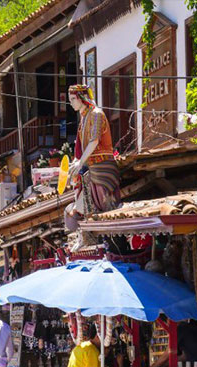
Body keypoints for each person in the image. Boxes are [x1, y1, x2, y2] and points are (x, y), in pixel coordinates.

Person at [64, 84, 120, 250]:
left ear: (82, 98)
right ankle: (85, 235)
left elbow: (94, 141)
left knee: (102, 205)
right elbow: (80, 149)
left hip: (102, 165)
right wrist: (75, 164)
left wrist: (80, 163)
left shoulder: (95, 114)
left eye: (73, 99)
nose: (72, 103)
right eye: (70, 100)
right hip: (90, 167)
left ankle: (106, 238)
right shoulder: (83, 118)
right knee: (80, 199)